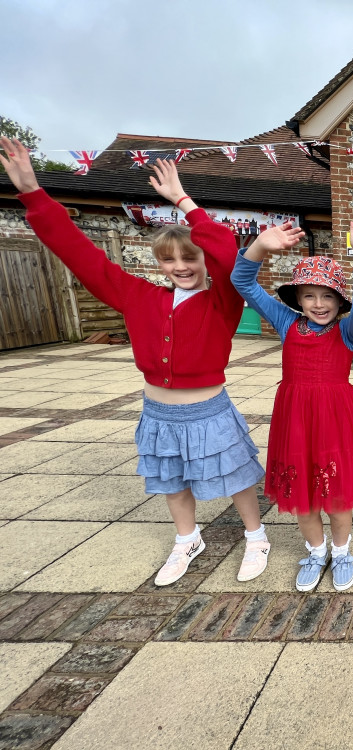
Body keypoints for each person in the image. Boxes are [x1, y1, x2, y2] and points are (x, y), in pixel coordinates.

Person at [0, 137, 270, 586]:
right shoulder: (139, 296)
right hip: (158, 411)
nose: (180, 266)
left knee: (235, 473)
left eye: (189, 257)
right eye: (169, 259)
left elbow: (225, 251)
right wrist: (32, 192)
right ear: (158, 263)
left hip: (208, 409)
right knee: (170, 479)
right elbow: (79, 254)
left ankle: (256, 535)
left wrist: (184, 202)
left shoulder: (224, 299)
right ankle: (187, 539)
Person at [231, 213, 353, 592]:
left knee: (337, 496)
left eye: (327, 296)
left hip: (337, 419)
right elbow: (243, 283)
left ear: (339, 301)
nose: (318, 304)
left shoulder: (347, 330)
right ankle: (315, 551)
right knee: (301, 498)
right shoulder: (286, 323)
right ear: (297, 298)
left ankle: (341, 552)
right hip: (296, 420)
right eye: (309, 295)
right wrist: (258, 248)